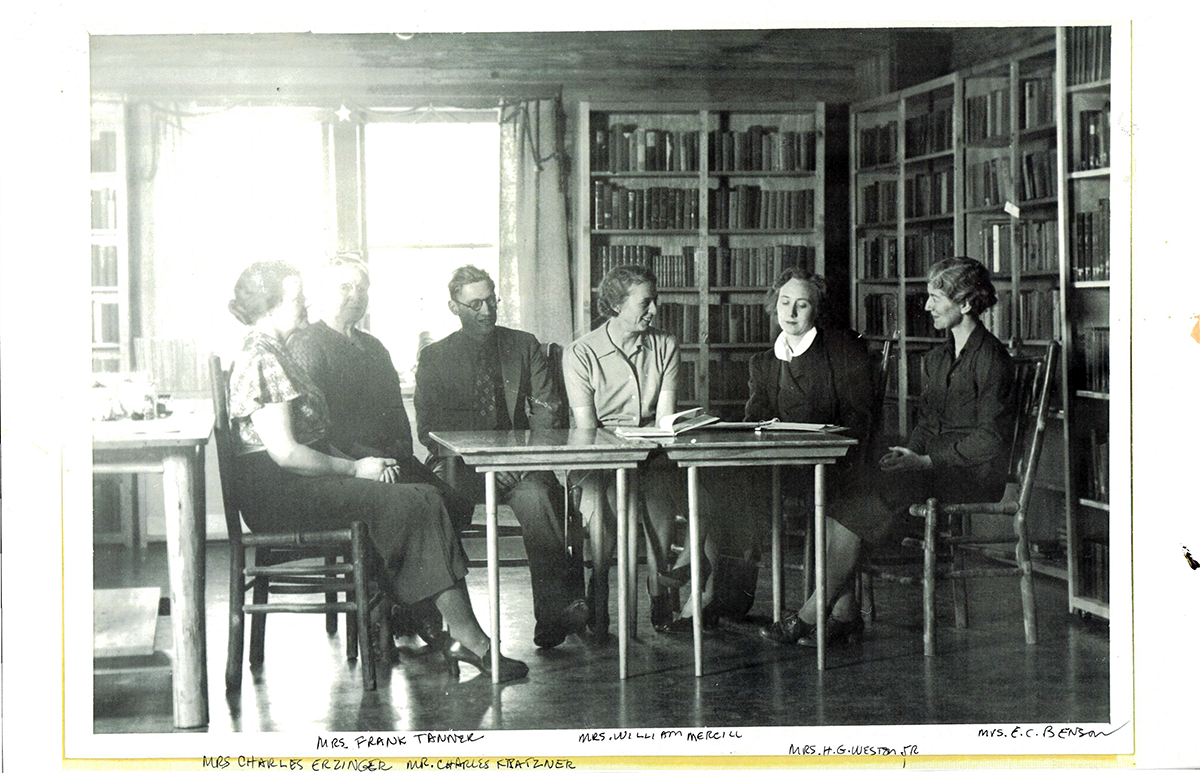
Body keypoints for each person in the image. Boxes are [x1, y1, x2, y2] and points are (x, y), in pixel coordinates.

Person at [225, 260, 527, 681]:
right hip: (280, 494)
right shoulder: (261, 356)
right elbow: (287, 454)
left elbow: (311, 439)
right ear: (270, 306)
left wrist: (370, 464)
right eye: (296, 298)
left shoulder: (276, 351)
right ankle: (471, 642)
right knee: (413, 502)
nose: (306, 302)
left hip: (303, 482)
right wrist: (355, 468)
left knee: (421, 496)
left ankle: (453, 633)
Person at [761, 256, 1015, 648]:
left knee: (869, 496)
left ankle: (811, 615)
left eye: (935, 298)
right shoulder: (938, 357)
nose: (927, 306)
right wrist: (906, 453)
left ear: (965, 304)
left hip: (972, 474)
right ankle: (844, 615)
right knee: (843, 490)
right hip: (931, 466)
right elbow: (928, 423)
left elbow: (992, 440)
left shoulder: (993, 359)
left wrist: (926, 461)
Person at [287, 254, 474, 644]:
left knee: (453, 500)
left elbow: (394, 410)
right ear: (322, 294)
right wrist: (366, 461)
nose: (356, 295)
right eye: (344, 287)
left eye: (362, 288)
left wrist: (399, 453)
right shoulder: (307, 344)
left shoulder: (373, 347)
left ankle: (410, 605)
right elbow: (319, 426)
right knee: (414, 503)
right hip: (348, 461)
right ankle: (385, 612)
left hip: (389, 457)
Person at [414, 265, 588, 650]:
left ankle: (552, 617)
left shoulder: (524, 346)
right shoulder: (435, 357)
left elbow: (549, 412)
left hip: (521, 468)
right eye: (475, 303)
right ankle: (432, 618)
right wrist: (485, 462)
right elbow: (429, 430)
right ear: (453, 307)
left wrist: (518, 460)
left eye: (491, 300)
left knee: (540, 500)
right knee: (430, 511)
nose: (486, 310)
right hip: (461, 470)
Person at [563, 264, 712, 635]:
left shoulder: (665, 345)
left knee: (662, 496)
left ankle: (659, 586)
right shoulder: (580, 352)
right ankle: (599, 593)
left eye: (655, 301)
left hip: (653, 455)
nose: (655, 310)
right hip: (598, 457)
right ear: (615, 304)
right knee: (608, 509)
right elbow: (587, 431)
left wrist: (652, 440)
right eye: (646, 302)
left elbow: (664, 420)